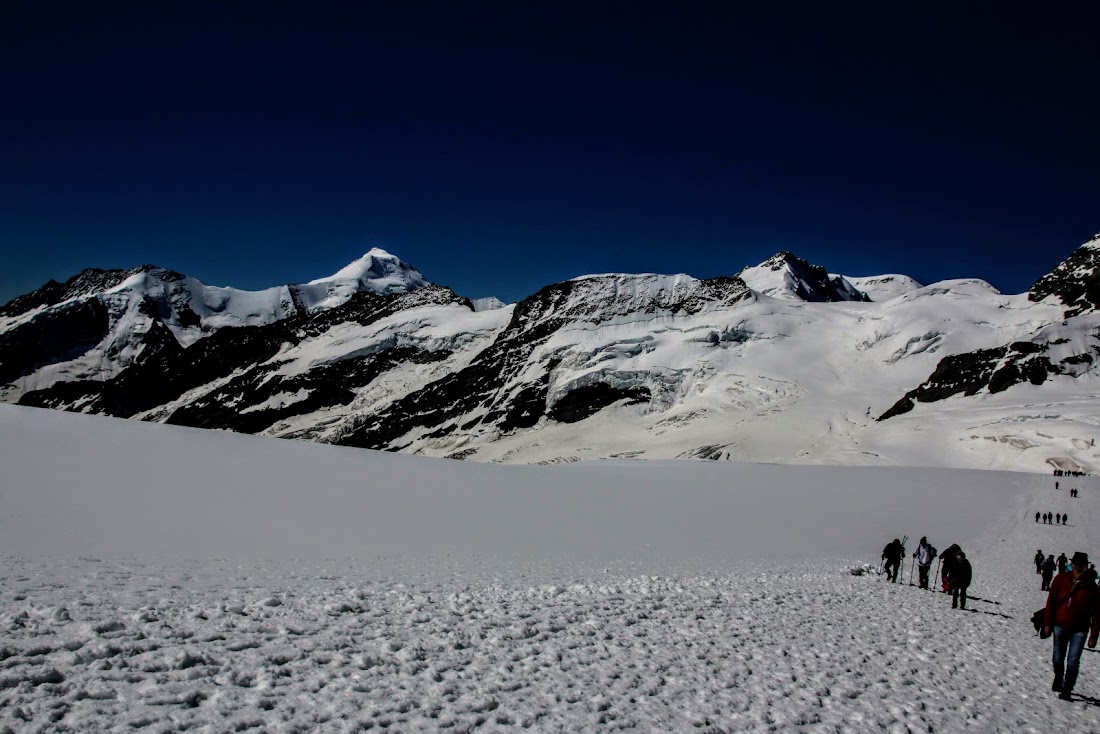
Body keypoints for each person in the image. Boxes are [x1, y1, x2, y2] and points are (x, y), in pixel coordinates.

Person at [1043, 552, 1100, 700]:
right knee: (1058, 658)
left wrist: (1093, 636)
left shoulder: (1092, 587)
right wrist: (1048, 624)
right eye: (1076, 564)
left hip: (1080, 629)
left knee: (1073, 660)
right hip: (1060, 625)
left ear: (1086, 567)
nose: (1078, 567)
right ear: (1072, 564)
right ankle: (1058, 676)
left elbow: (1097, 614)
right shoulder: (1061, 579)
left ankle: (1067, 688)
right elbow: (1051, 602)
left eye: (1081, 565)